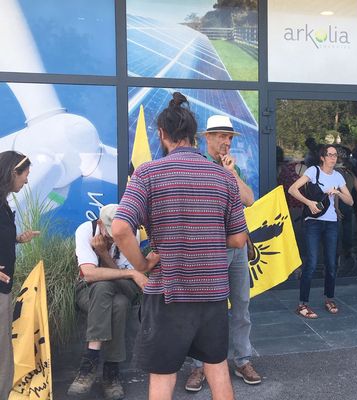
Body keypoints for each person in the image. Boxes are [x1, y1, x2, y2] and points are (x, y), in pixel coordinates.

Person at [112, 92, 248, 400]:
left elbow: (120, 229)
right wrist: (208, 238)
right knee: (218, 369)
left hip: (168, 293)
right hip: (213, 293)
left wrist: (143, 265)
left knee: (163, 378)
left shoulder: (147, 173)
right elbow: (239, 239)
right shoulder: (224, 178)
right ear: (193, 135)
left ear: (162, 134)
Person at [185, 114, 261, 392]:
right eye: (221, 136)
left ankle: (242, 359)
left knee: (241, 306)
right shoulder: (198, 164)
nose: (227, 142)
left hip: (238, 247)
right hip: (211, 249)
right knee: (205, 311)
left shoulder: (231, 169)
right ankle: (198, 365)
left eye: (229, 137)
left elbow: (249, 199)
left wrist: (230, 173)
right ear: (207, 138)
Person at [67, 204, 147, 400]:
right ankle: (111, 372)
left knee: (106, 288)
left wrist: (103, 255)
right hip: (88, 292)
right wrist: (129, 272)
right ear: (100, 224)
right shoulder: (86, 230)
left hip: (124, 287)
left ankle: (88, 365)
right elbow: (89, 274)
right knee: (116, 302)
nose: (114, 237)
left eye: (117, 233)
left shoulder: (130, 233)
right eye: (110, 233)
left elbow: (125, 283)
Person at [288, 145, 354, 319]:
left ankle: (329, 298)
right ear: (323, 157)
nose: (334, 158)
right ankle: (302, 304)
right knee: (311, 262)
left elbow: (351, 201)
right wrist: (309, 202)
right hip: (313, 223)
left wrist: (338, 192)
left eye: (335, 155)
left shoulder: (338, 176)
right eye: (330, 155)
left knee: (331, 263)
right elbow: (292, 189)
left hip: (331, 222)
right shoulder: (313, 171)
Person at [0, 151, 39, 400]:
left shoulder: (3, 203)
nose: (26, 181)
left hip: (4, 288)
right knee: (2, 355)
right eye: (25, 175)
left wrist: (15, 239)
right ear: (14, 172)